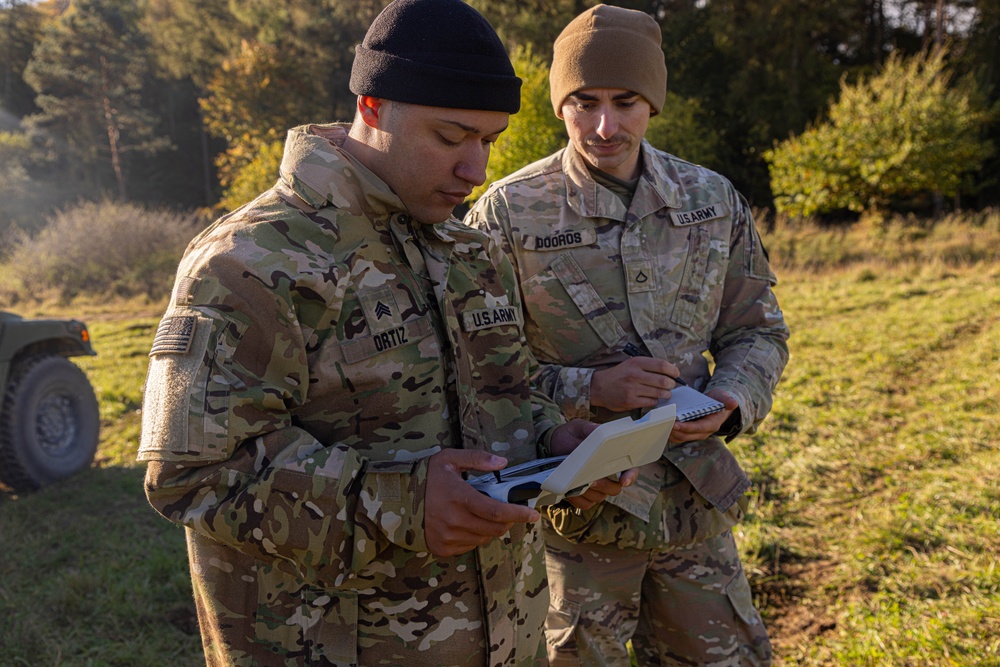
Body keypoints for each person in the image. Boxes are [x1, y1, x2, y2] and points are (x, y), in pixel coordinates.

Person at [137, 1, 633, 665]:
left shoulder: (468, 251)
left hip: (507, 636)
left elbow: (505, 397)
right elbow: (191, 474)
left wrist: (555, 445)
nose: (475, 170)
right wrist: (399, 504)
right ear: (371, 106)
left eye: (488, 140)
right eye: (451, 137)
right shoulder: (248, 262)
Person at [465, 4, 791, 665]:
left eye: (626, 101)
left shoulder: (711, 199)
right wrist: (590, 387)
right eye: (583, 102)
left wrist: (729, 400)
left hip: (692, 508)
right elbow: (475, 368)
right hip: (575, 524)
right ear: (559, 105)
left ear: (654, 103)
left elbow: (757, 329)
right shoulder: (507, 213)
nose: (605, 125)